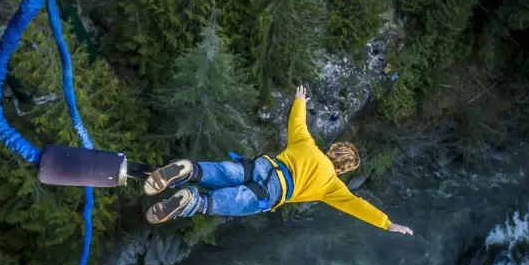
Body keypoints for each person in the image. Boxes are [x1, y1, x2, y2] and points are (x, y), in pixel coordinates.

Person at [143, 85, 413, 235]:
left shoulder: (307, 144)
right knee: (224, 202)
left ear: (332, 149)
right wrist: (386, 223)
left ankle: (190, 169)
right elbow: (357, 206)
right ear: (343, 169)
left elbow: (297, 122)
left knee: (227, 172)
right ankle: (192, 201)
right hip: (273, 192)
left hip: (263, 166)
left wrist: (300, 100)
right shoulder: (332, 186)